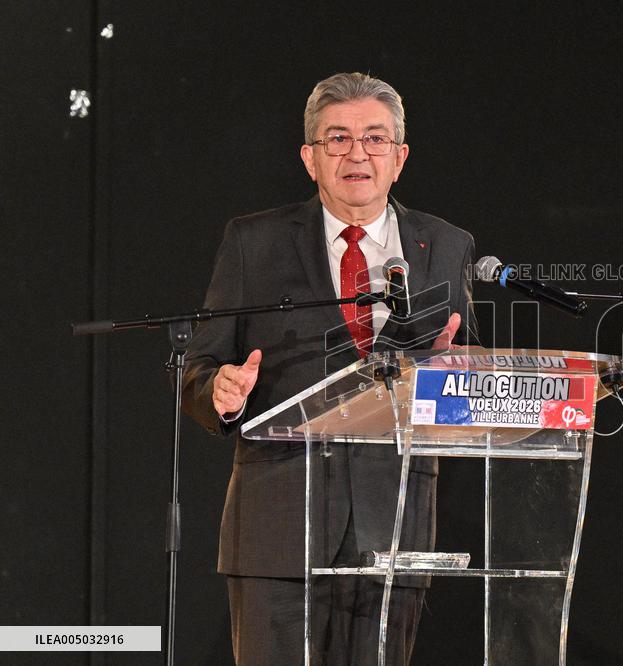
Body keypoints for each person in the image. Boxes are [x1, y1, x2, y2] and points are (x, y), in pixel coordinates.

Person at [181, 72, 477, 665]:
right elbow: (201, 363)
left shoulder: (445, 245)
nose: (357, 153)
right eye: (337, 139)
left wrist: (455, 375)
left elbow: (467, 381)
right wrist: (220, 390)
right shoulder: (254, 242)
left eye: (374, 138)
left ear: (400, 157)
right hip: (277, 523)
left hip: (394, 518)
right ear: (310, 158)